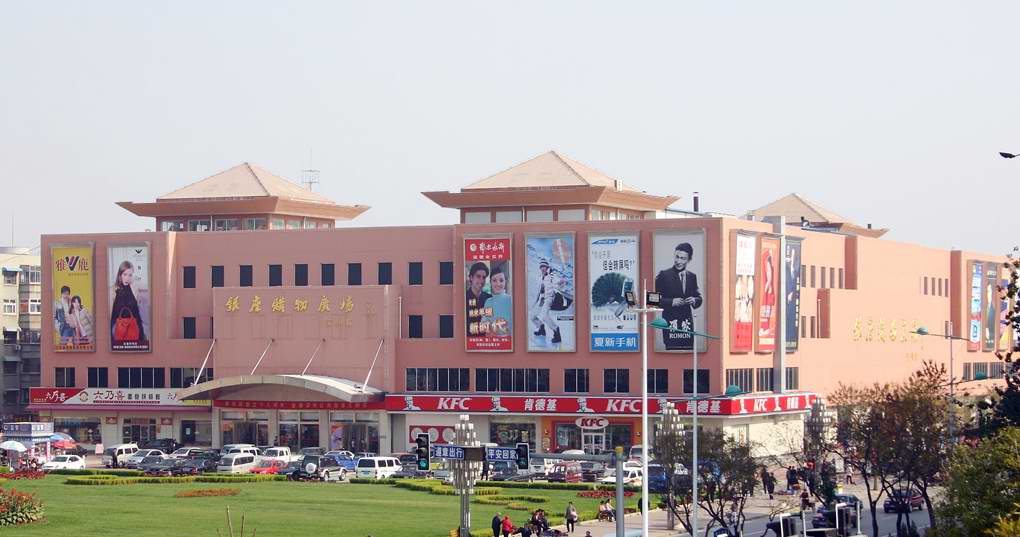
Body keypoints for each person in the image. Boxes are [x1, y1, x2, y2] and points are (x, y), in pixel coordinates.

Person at [655, 242, 703, 351]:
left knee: (689, 356)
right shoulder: (664, 275)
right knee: (672, 355)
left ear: (689, 260)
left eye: (683, 258)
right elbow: (651, 300)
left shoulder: (692, 276)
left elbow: (699, 298)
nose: (678, 261)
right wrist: (671, 302)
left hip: (687, 326)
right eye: (677, 257)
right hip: (671, 325)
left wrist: (694, 300)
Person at [110, 260, 147, 346]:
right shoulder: (113, 290)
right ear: (120, 275)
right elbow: (111, 315)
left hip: (134, 326)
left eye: (130, 275)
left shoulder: (134, 288)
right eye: (125, 274)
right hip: (119, 328)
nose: (127, 278)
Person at [530, 258, 562, 344]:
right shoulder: (540, 277)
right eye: (541, 266)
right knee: (532, 316)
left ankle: (556, 331)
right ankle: (541, 329)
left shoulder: (552, 275)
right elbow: (538, 291)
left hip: (549, 298)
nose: (542, 268)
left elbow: (558, 282)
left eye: (544, 266)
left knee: (544, 316)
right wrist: (534, 302)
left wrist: (560, 282)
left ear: (547, 267)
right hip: (541, 300)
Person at [482, 264, 513, 335]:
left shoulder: (511, 300)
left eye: (501, 280)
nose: (498, 284)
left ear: (505, 282)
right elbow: (484, 323)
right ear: (490, 282)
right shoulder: (488, 302)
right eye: (494, 280)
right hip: (493, 340)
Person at [466, 262, 492, 334]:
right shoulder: (463, 298)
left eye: (484, 277)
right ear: (471, 277)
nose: (481, 280)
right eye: (478, 276)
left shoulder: (489, 298)